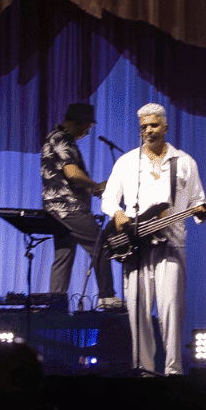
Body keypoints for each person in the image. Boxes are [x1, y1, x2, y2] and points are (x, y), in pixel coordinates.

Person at [100, 103, 205, 375]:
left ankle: (173, 371)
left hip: (171, 244)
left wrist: (201, 212)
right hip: (135, 246)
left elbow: (197, 201)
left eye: (154, 125)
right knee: (138, 312)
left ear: (165, 127)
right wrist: (118, 213)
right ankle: (143, 369)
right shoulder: (127, 162)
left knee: (171, 310)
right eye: (144, 127)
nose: (148, 130)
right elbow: (108, 198)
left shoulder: (184, 162)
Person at [40, 102, 120, 308]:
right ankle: (107, 297)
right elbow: (72, 173)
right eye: (88, 127)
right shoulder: (63, 139)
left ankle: (55, 303)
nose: (87, 132)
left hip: (54, 209)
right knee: (100, 244)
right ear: (79, 122)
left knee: (64, 255)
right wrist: (95, 186)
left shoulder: (53, 137)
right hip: (69, 208)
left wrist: (92, 190)